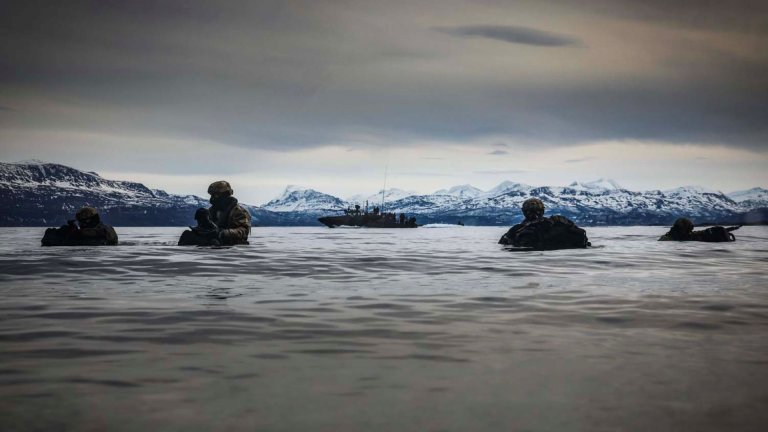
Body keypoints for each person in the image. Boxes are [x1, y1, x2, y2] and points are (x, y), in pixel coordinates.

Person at [498, 198, 589, 249]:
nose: (534, 214)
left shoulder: (517, 229)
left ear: (524, 211)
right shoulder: (558, 222)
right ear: (543, 211)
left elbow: (503, 243)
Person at [41, 206, 118, 246]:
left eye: (85, 221)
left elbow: (99, 233)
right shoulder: (77, 232)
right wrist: (70, 231)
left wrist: (75, 233)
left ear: (93, 219)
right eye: (80, 221)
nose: (82, 224)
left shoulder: (105, 230)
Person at [206, 180, 251, 245]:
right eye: (212, 195)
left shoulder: (238, 211)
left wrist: (226, 233)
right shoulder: (210, 211)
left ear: (225, 194)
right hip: (214, 245)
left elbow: (244, 231)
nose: (213, 198)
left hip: (234, 247)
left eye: (216, 195)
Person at [658, 217, 739, 242]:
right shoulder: (667, 238)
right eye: (689, 229)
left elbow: (694, 233)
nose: (690, 231)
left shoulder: (668, 236)